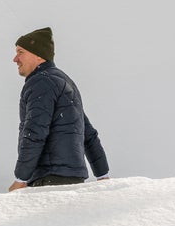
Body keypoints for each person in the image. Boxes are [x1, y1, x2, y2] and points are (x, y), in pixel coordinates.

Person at [8, 27, 109, 192]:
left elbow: (34, 131)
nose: (15, 59)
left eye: (20, 52)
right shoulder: (64, 82)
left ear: (39, 55)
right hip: (72, 179)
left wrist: (21, 178)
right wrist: (102, 175)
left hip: (49, 179)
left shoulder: (41, 83)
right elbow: (88, 134)